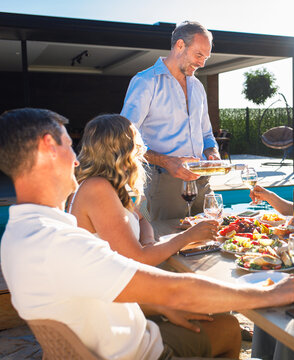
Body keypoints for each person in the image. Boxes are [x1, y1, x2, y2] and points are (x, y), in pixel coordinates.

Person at [0, 108, 294, 360]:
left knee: (221, 324)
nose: (77, 159)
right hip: (138, 350)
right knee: (228, 328)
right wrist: (270, 294)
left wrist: (158, 306)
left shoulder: (22, 235)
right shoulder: (60, 244)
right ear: (47, 147)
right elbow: (177, 290)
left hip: (114, 335)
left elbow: (90, 293)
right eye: (69, 146)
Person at [66, 114, 242, 357]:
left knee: (207, 307)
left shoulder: (110, 187)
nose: (142, 150)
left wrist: (149, 243)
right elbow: (138, 259)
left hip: (121, 301)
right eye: (138, 143)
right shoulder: (98, 190)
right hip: (114, 326)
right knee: (228, 327)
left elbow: (142, 217)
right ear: (124, 148)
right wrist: (188, 236)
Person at [121, 21, 219, 221]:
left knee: (213, 235)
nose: (202, 63)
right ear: (180, 45)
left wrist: (212, 152)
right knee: (168, 243)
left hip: (202, 181)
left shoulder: (198, 87)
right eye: (199, 55)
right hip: (164, 181)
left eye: (206, 57)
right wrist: (167, 161)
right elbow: (124, 139)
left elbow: (207, 134)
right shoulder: (146, 82)